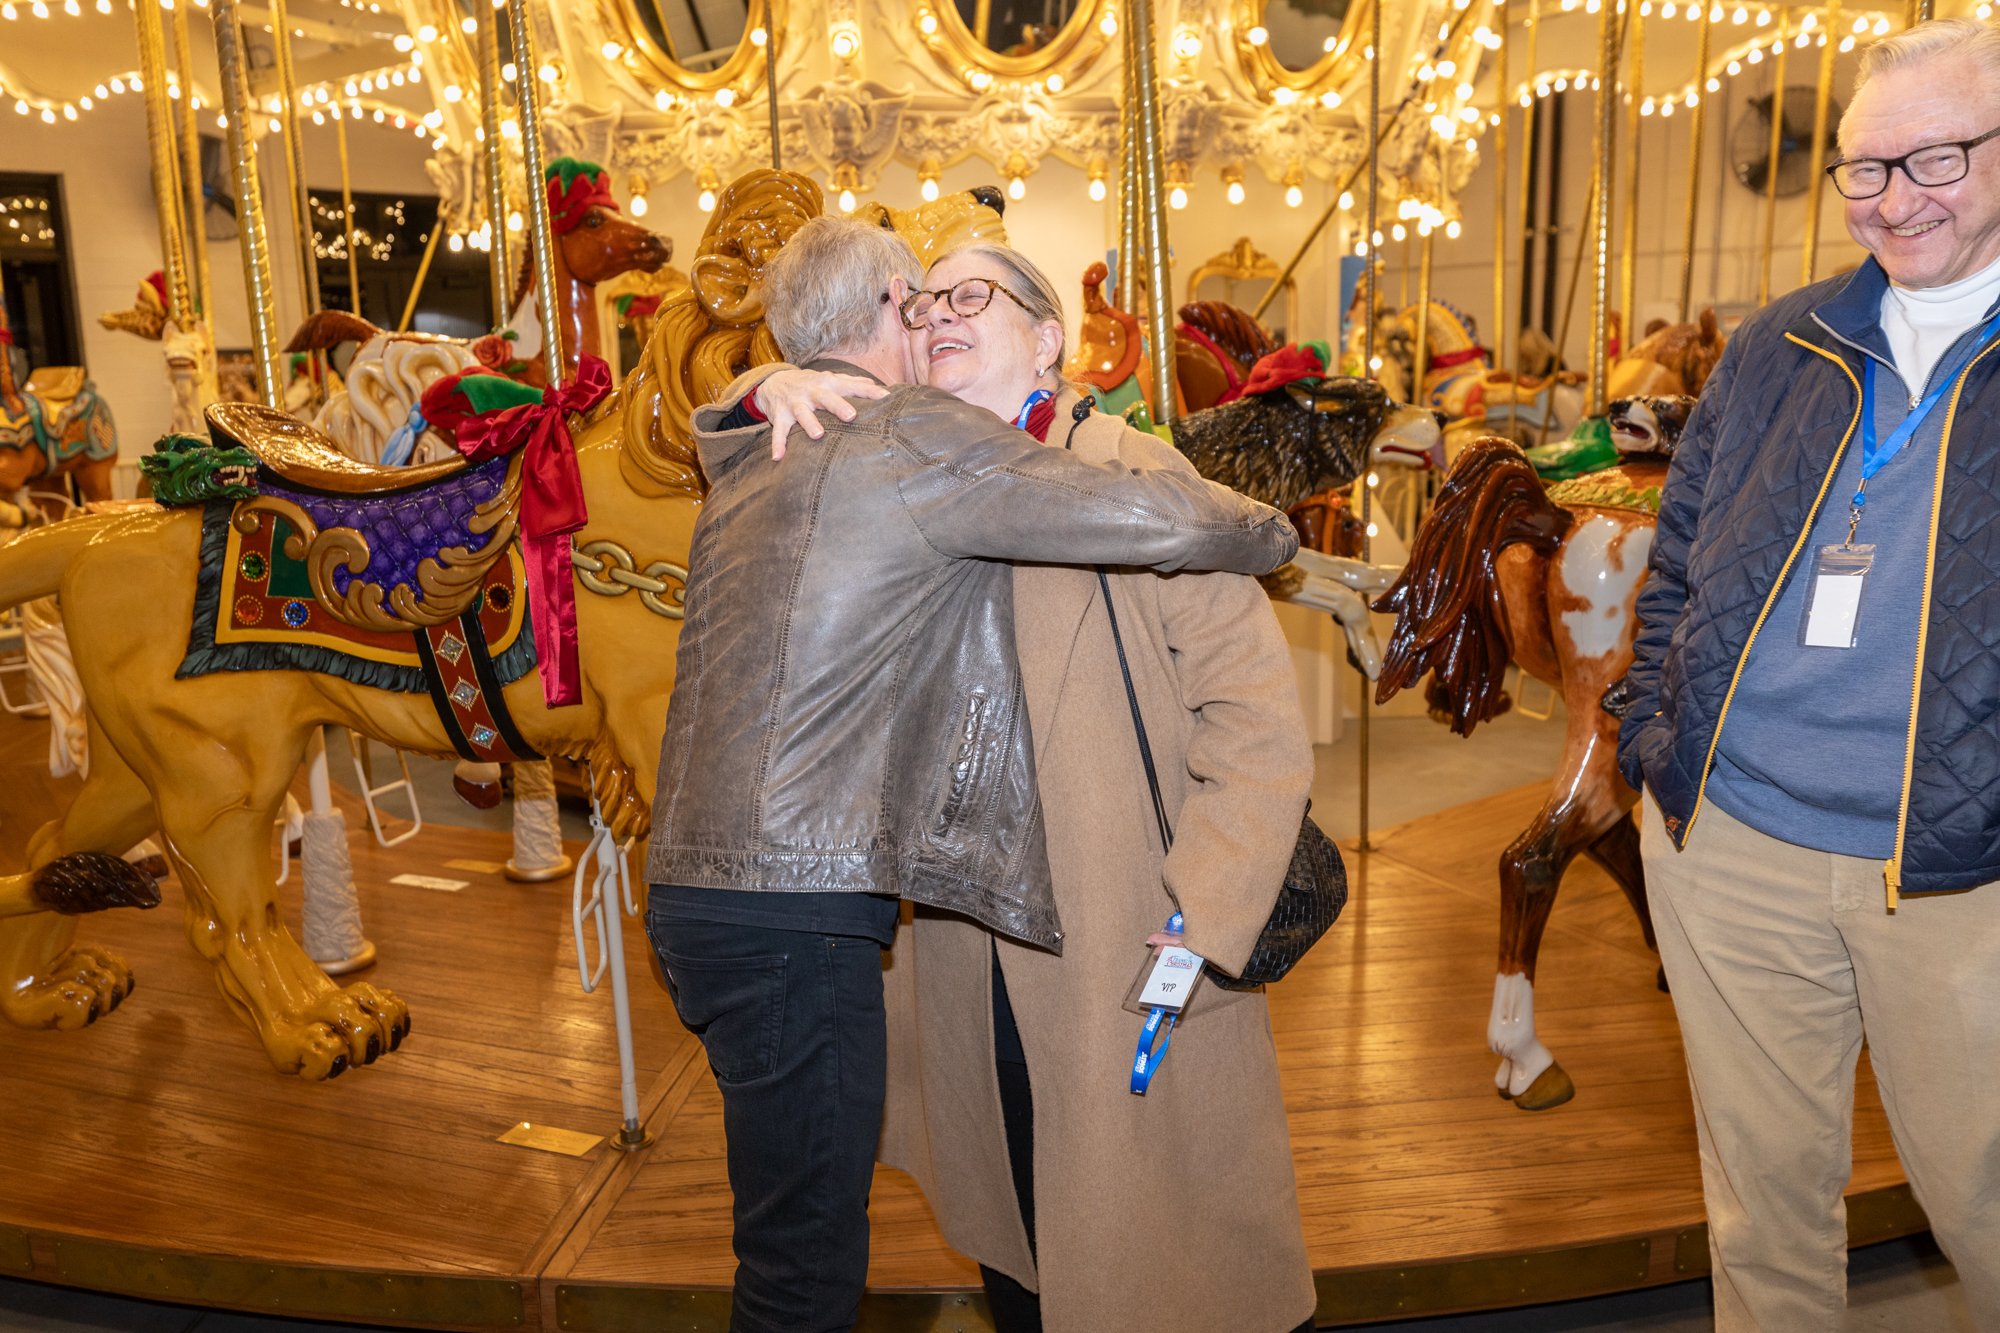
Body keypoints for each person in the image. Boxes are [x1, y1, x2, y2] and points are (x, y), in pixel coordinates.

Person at [642, 215, 1300, 1333]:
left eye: (970, 297)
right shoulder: (901, 445)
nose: (938, 315)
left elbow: (1251, 712)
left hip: (1123, 926)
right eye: (925, 299)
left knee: (1145, 1248)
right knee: (1006, 1229)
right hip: (961, 933)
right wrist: (768, 381)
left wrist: (1211, 902)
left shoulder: (1124, 463)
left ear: (1047, 338)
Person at [1620, 19, 2000, 1329]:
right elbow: (1680, 550)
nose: (1894, 201)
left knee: (1983, 1208)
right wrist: (1653, 737)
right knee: (1761, 1213)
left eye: (1936, 159)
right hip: (1730, 843)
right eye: (1864, 169)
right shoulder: (1782, 342)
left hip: (1958, 869)